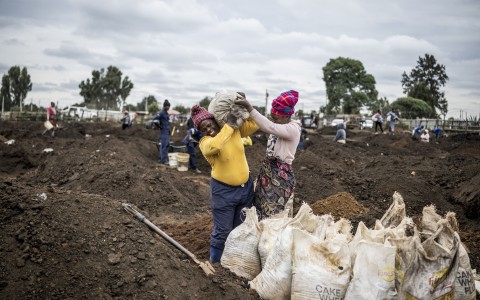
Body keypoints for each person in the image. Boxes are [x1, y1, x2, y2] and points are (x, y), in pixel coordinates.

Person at [190, 104, 259, 264]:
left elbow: (253, 126)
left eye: (209, 124)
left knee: (240, 228)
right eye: (203, 128)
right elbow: (216, 146)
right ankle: (215, 262)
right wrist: (230, 125)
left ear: (215, 120)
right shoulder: (205, 142)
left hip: (245, 190)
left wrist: (247, 108)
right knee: (223, 231)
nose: (207, 129)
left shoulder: (234, 131)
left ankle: (235, 263)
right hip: (223, 193)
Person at [235, 90, 302, 219]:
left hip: (280, 177)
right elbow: (266, 124)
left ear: (286, 116)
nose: (273, 120)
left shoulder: (293, 129)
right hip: (267, 173)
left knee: (272, 215)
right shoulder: (279, 125)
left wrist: (249, 107)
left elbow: (269, 127)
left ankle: (272, 238)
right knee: (259, 209)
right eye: (272, 117)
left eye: (276, 118)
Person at [152, 100, 171, 165]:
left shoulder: (166, 113)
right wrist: (159, 126)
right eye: (168, 106)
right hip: (164, 132)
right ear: (164, 106)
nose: (168, 107)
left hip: (167, 132)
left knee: (166, 145)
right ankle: (164, 160)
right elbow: (154, 119)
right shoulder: (161, 113)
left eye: (169, 106)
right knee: (164, 146)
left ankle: (161, 158)